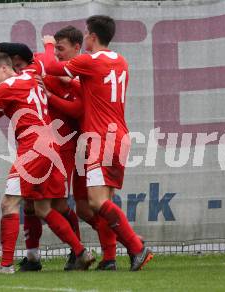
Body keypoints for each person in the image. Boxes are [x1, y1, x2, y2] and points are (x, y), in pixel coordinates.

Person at [0, 52, 95, 273]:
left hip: (34, 147)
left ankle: (6, 264)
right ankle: (81, 253)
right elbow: (41, 62)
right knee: (43, 208)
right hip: (50, 145)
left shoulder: (8, 88)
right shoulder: (30, 77)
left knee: (9, 204)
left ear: (5, 68)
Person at [43, 15, 153, 271]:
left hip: (100, 138)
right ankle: (112, 258)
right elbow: (95, 85)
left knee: (96, 201)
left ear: (91, 37)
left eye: (86, 33)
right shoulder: (120, 61)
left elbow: (51, 66)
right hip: (119, 136)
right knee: (105, 200)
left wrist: (49, 45)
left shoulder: (89, 61)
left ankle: (137, 247)